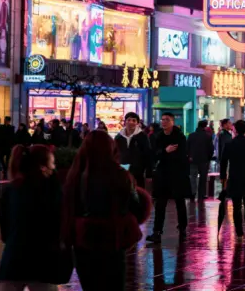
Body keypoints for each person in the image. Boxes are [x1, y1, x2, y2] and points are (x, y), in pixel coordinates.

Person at [62, 131, 152, 289]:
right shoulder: (120, 175)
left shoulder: (74, 176)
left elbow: (67, 208)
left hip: (83, 241)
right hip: (112, 240)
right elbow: (136, 207)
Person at [0, 144, 71, 290]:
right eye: (52, 163)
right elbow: (59, 224)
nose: (54, 167)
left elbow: (4, 231)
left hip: (12, 262)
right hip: (41, 263)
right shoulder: (51, 191)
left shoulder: (12, 189)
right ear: (43, 167)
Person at [146, 112, 190, 243]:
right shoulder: (157, 136)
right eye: (162, 119)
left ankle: (182, 227)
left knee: (180, 202)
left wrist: (164, 154)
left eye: (167, 120)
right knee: (160, 204)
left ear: (172, 122)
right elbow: (154, 154)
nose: (163, 122)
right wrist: (165, 151)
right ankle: (157, 232)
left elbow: (180, 155)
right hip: (163, 175)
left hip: (177, 175)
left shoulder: (180, 137)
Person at [220, 120, 245, 239]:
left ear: (235, 129)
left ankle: (239, 232)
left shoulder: (229, 144)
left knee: (236, 206)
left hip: (234, 177)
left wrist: (223, 176)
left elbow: (223, 162)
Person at [115, 112, 152, 188]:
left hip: (138, 172)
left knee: (138, 194)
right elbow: (115, 154)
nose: (131, 122)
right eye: (128, 120)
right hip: (123, 171)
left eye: (134, 120)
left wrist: (149, 173)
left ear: (138, 123)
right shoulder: (119, 137)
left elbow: (148, 155)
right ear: (125, 122)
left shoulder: (142, 137)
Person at [188, 120, 214, 201]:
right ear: (205, 126)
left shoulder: (191, 135)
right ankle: (201, 195)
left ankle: (192, 194)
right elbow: (211, 149)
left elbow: (187, 147)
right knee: (203, 178)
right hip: (204, 160)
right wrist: (209, 158)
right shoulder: (208, 136)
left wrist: (189, 156)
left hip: (192, 160)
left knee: (193, 177)